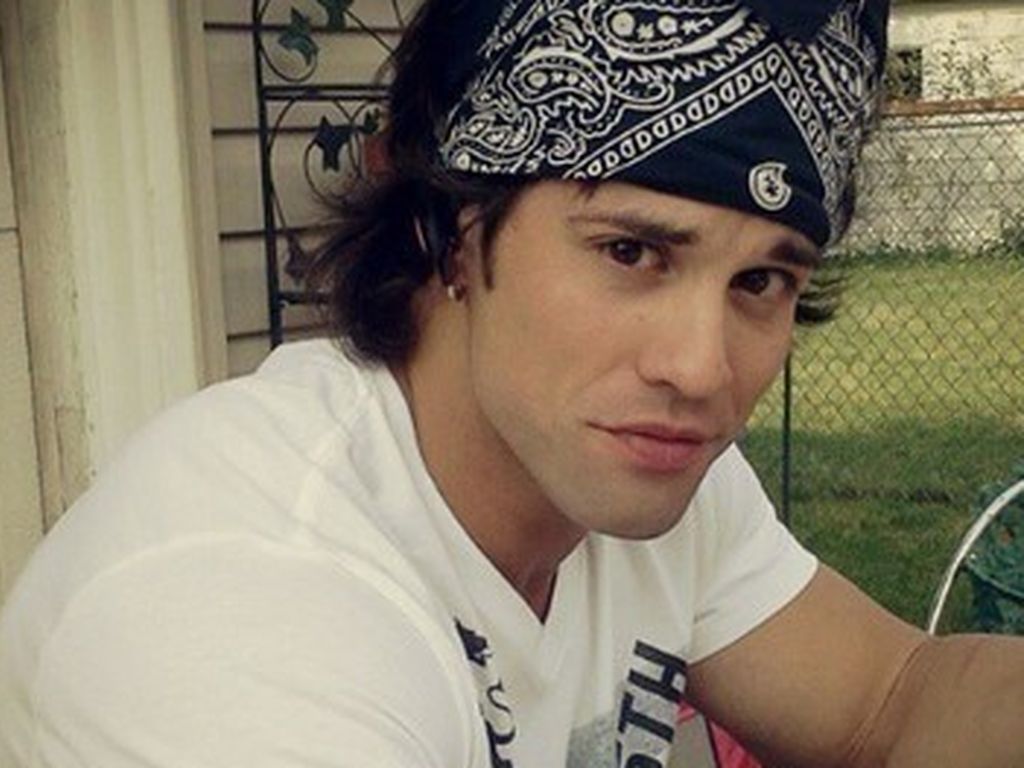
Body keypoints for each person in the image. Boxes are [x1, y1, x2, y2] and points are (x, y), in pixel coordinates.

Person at [1, 0, 1022, 766]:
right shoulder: (243, 610)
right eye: (631, 252)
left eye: (760, 281)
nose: (700, 369)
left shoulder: (652, 479)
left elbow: (890, 701)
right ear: (447, 230)